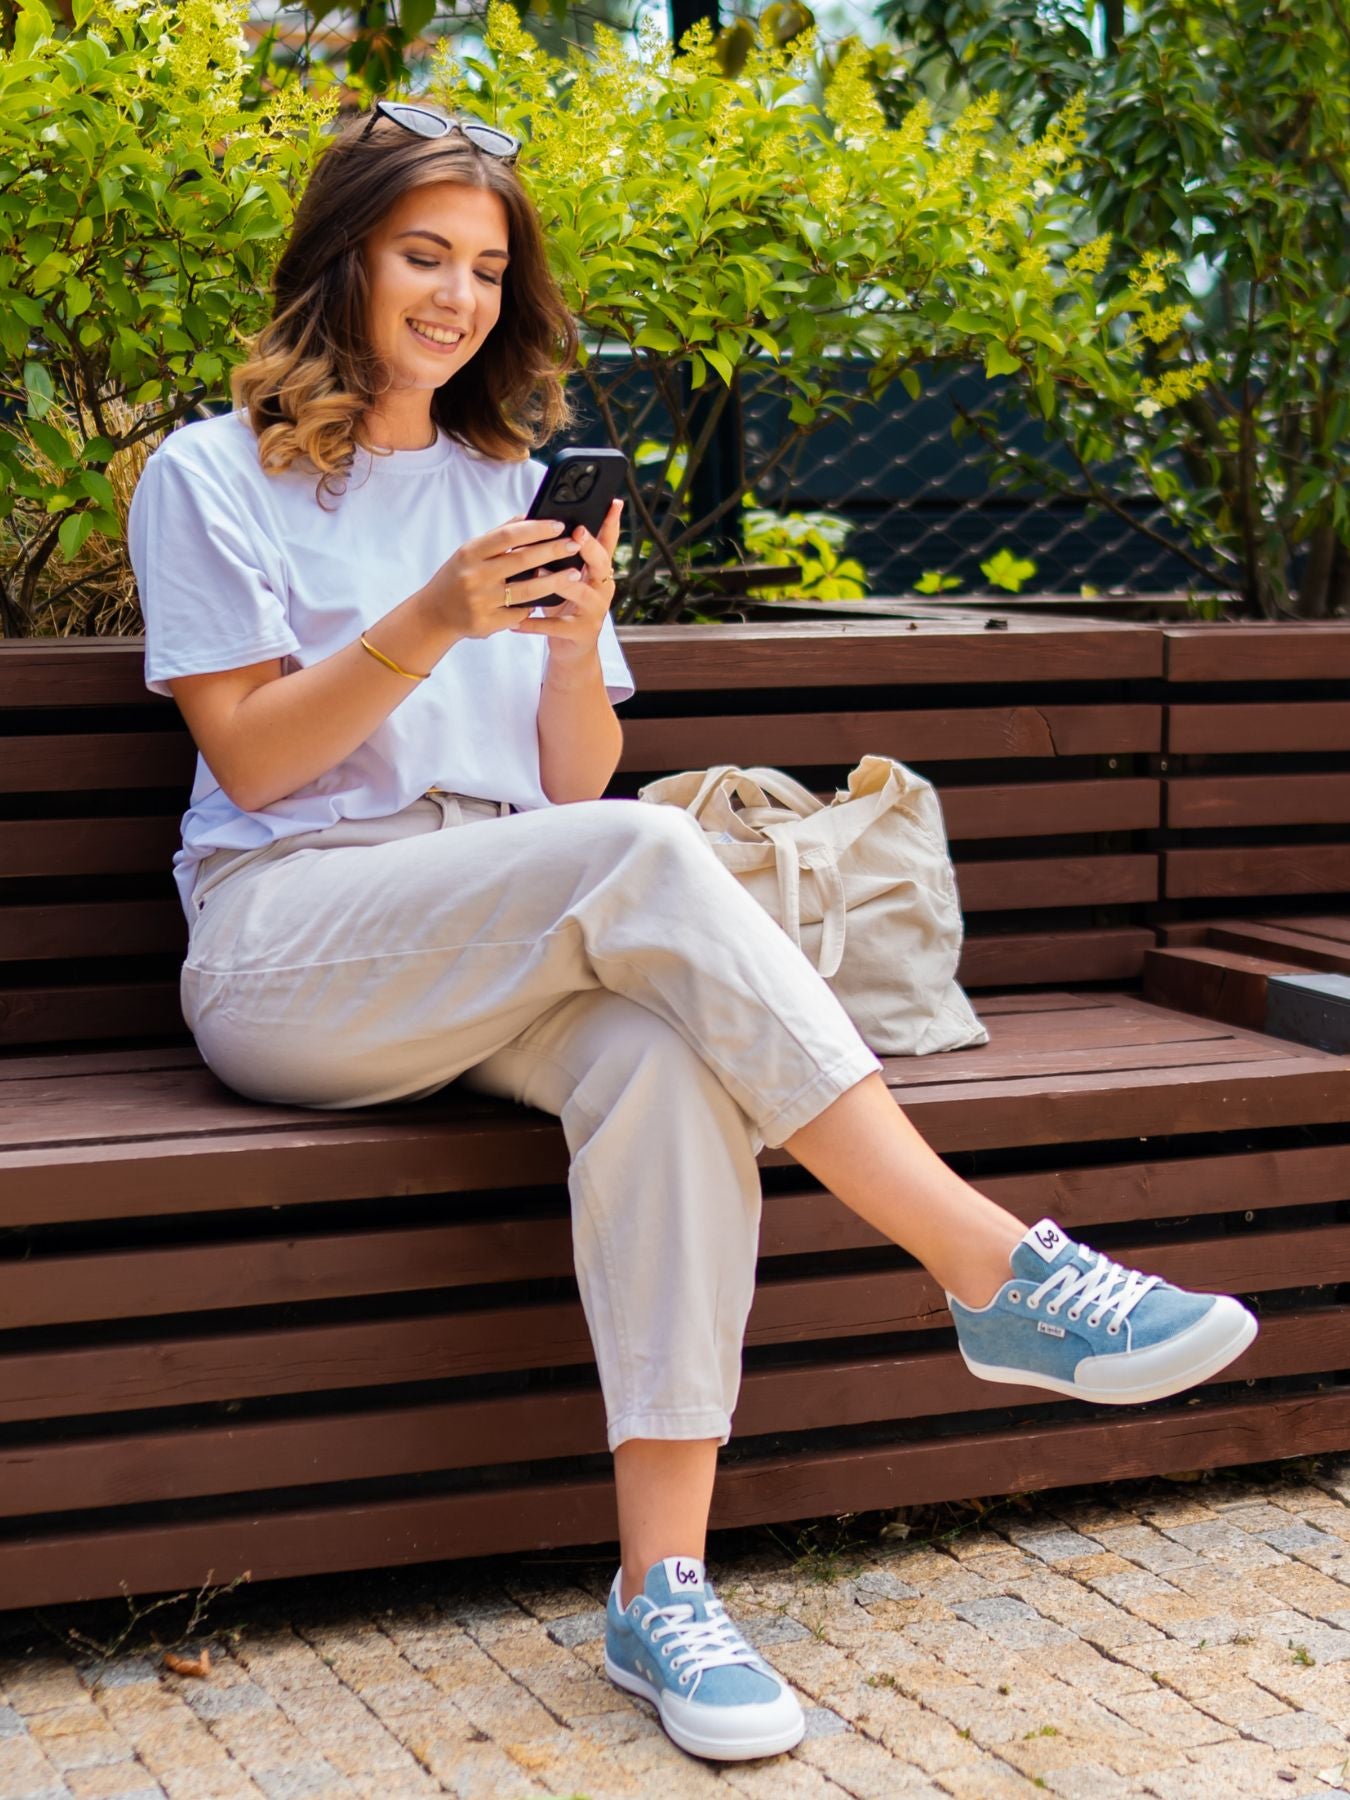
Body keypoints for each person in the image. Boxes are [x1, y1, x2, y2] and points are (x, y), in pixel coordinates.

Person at [128, 100, 1259, 1766]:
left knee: (662, 1060)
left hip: (507, 916)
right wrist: (432, 618)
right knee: (645, 854)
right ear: (343, 261)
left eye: (484, 268)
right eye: (420, 256)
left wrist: (573, 643)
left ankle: (663, 1586)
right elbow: (251, 755)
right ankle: (985, 1266)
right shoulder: (209, 472)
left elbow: (572, 779)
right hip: (293, 946)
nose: (453, 296)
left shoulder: (514, 480)